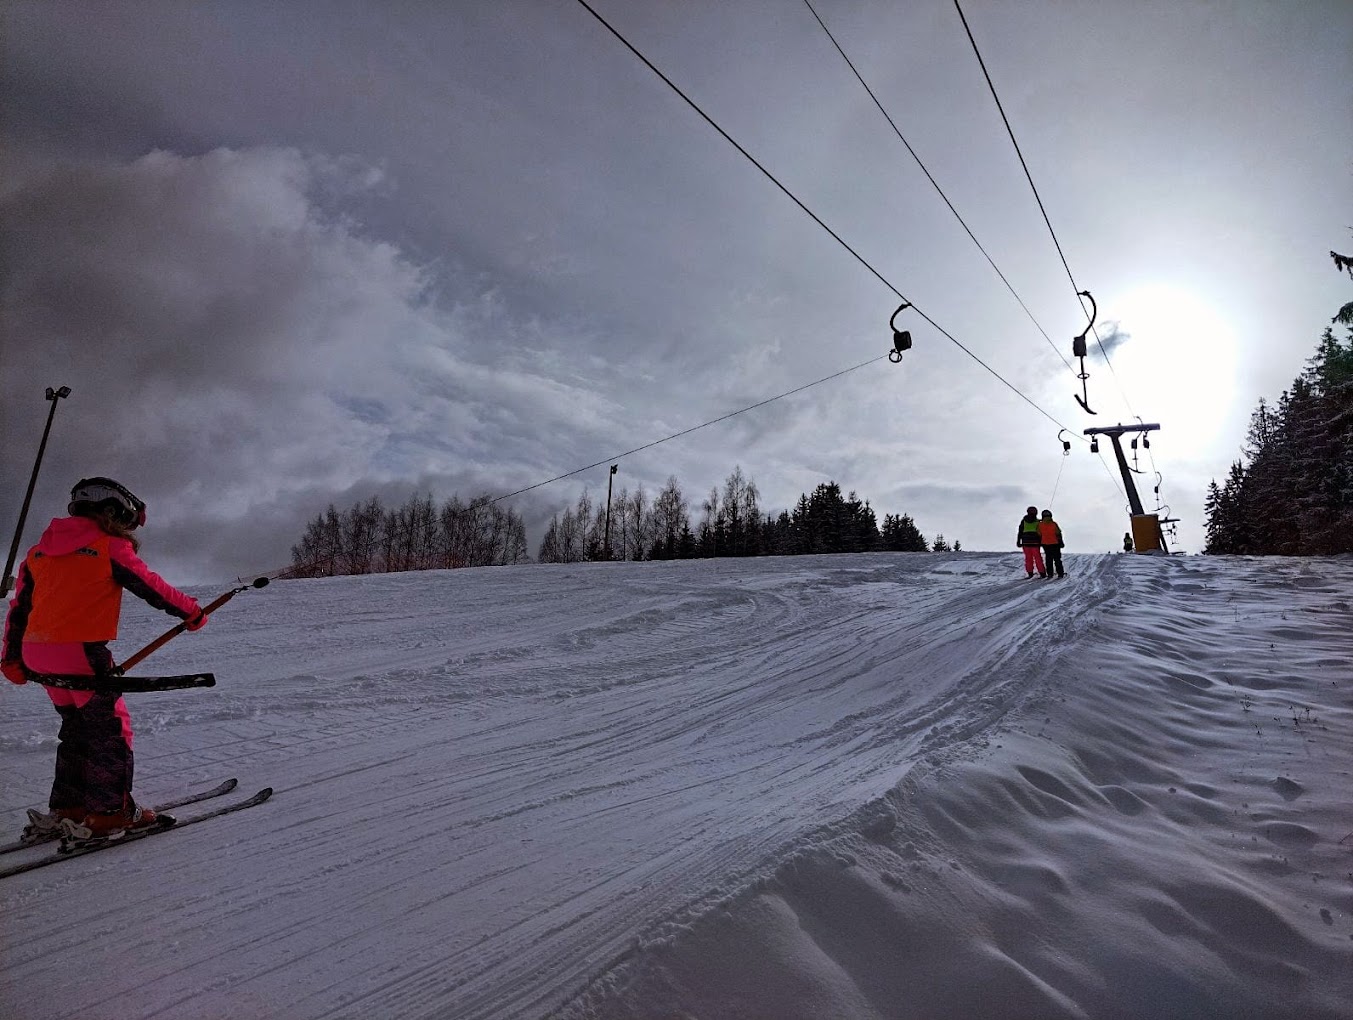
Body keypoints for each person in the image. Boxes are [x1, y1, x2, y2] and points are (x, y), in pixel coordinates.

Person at [1, 477, 207, 841]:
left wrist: (11, 659)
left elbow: (19, 609)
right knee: (110, 732)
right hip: (79, 653)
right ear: (112, 512)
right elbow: (152, 587)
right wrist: (192, 612)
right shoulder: (108, 547)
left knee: (77, 729)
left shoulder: (37, 553)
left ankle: (69, 806)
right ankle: (110, 813)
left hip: (38, 654)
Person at [1016, 505, 1046, 578]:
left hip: (1025, 543)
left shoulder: (1024, 521)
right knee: (1038, 558)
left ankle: (1030, 573)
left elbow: (1020, 532)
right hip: (1035, 543)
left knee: (1028, 558)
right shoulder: (1038, 522)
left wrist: (1018, 541)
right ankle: (1042, 573)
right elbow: (1041, 532)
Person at [1039, 510, 1066, 578]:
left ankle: (1050, 574)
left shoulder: (1040, 524)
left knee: (1048, 559)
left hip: (1045, 544)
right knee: (1057, 559)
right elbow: (1058, 534)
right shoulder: (1054, 524)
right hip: (1055, 544)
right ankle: (1060, 573)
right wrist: (1061, 542)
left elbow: (1039, 534)